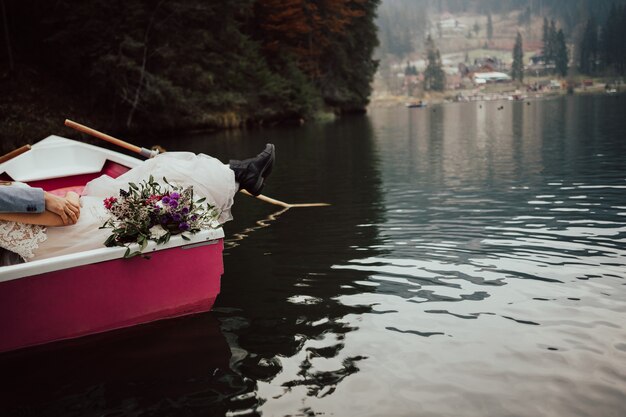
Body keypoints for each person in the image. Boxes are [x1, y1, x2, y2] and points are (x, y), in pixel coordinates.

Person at [0, 144, 275, 263]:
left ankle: (240, 173)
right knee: (160, 176)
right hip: (83, 228)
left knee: (156, 177)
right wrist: (70, 197)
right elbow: (66, 216)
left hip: (69, 232)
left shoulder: (8, 202)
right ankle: (241, 173)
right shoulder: (8, 203)